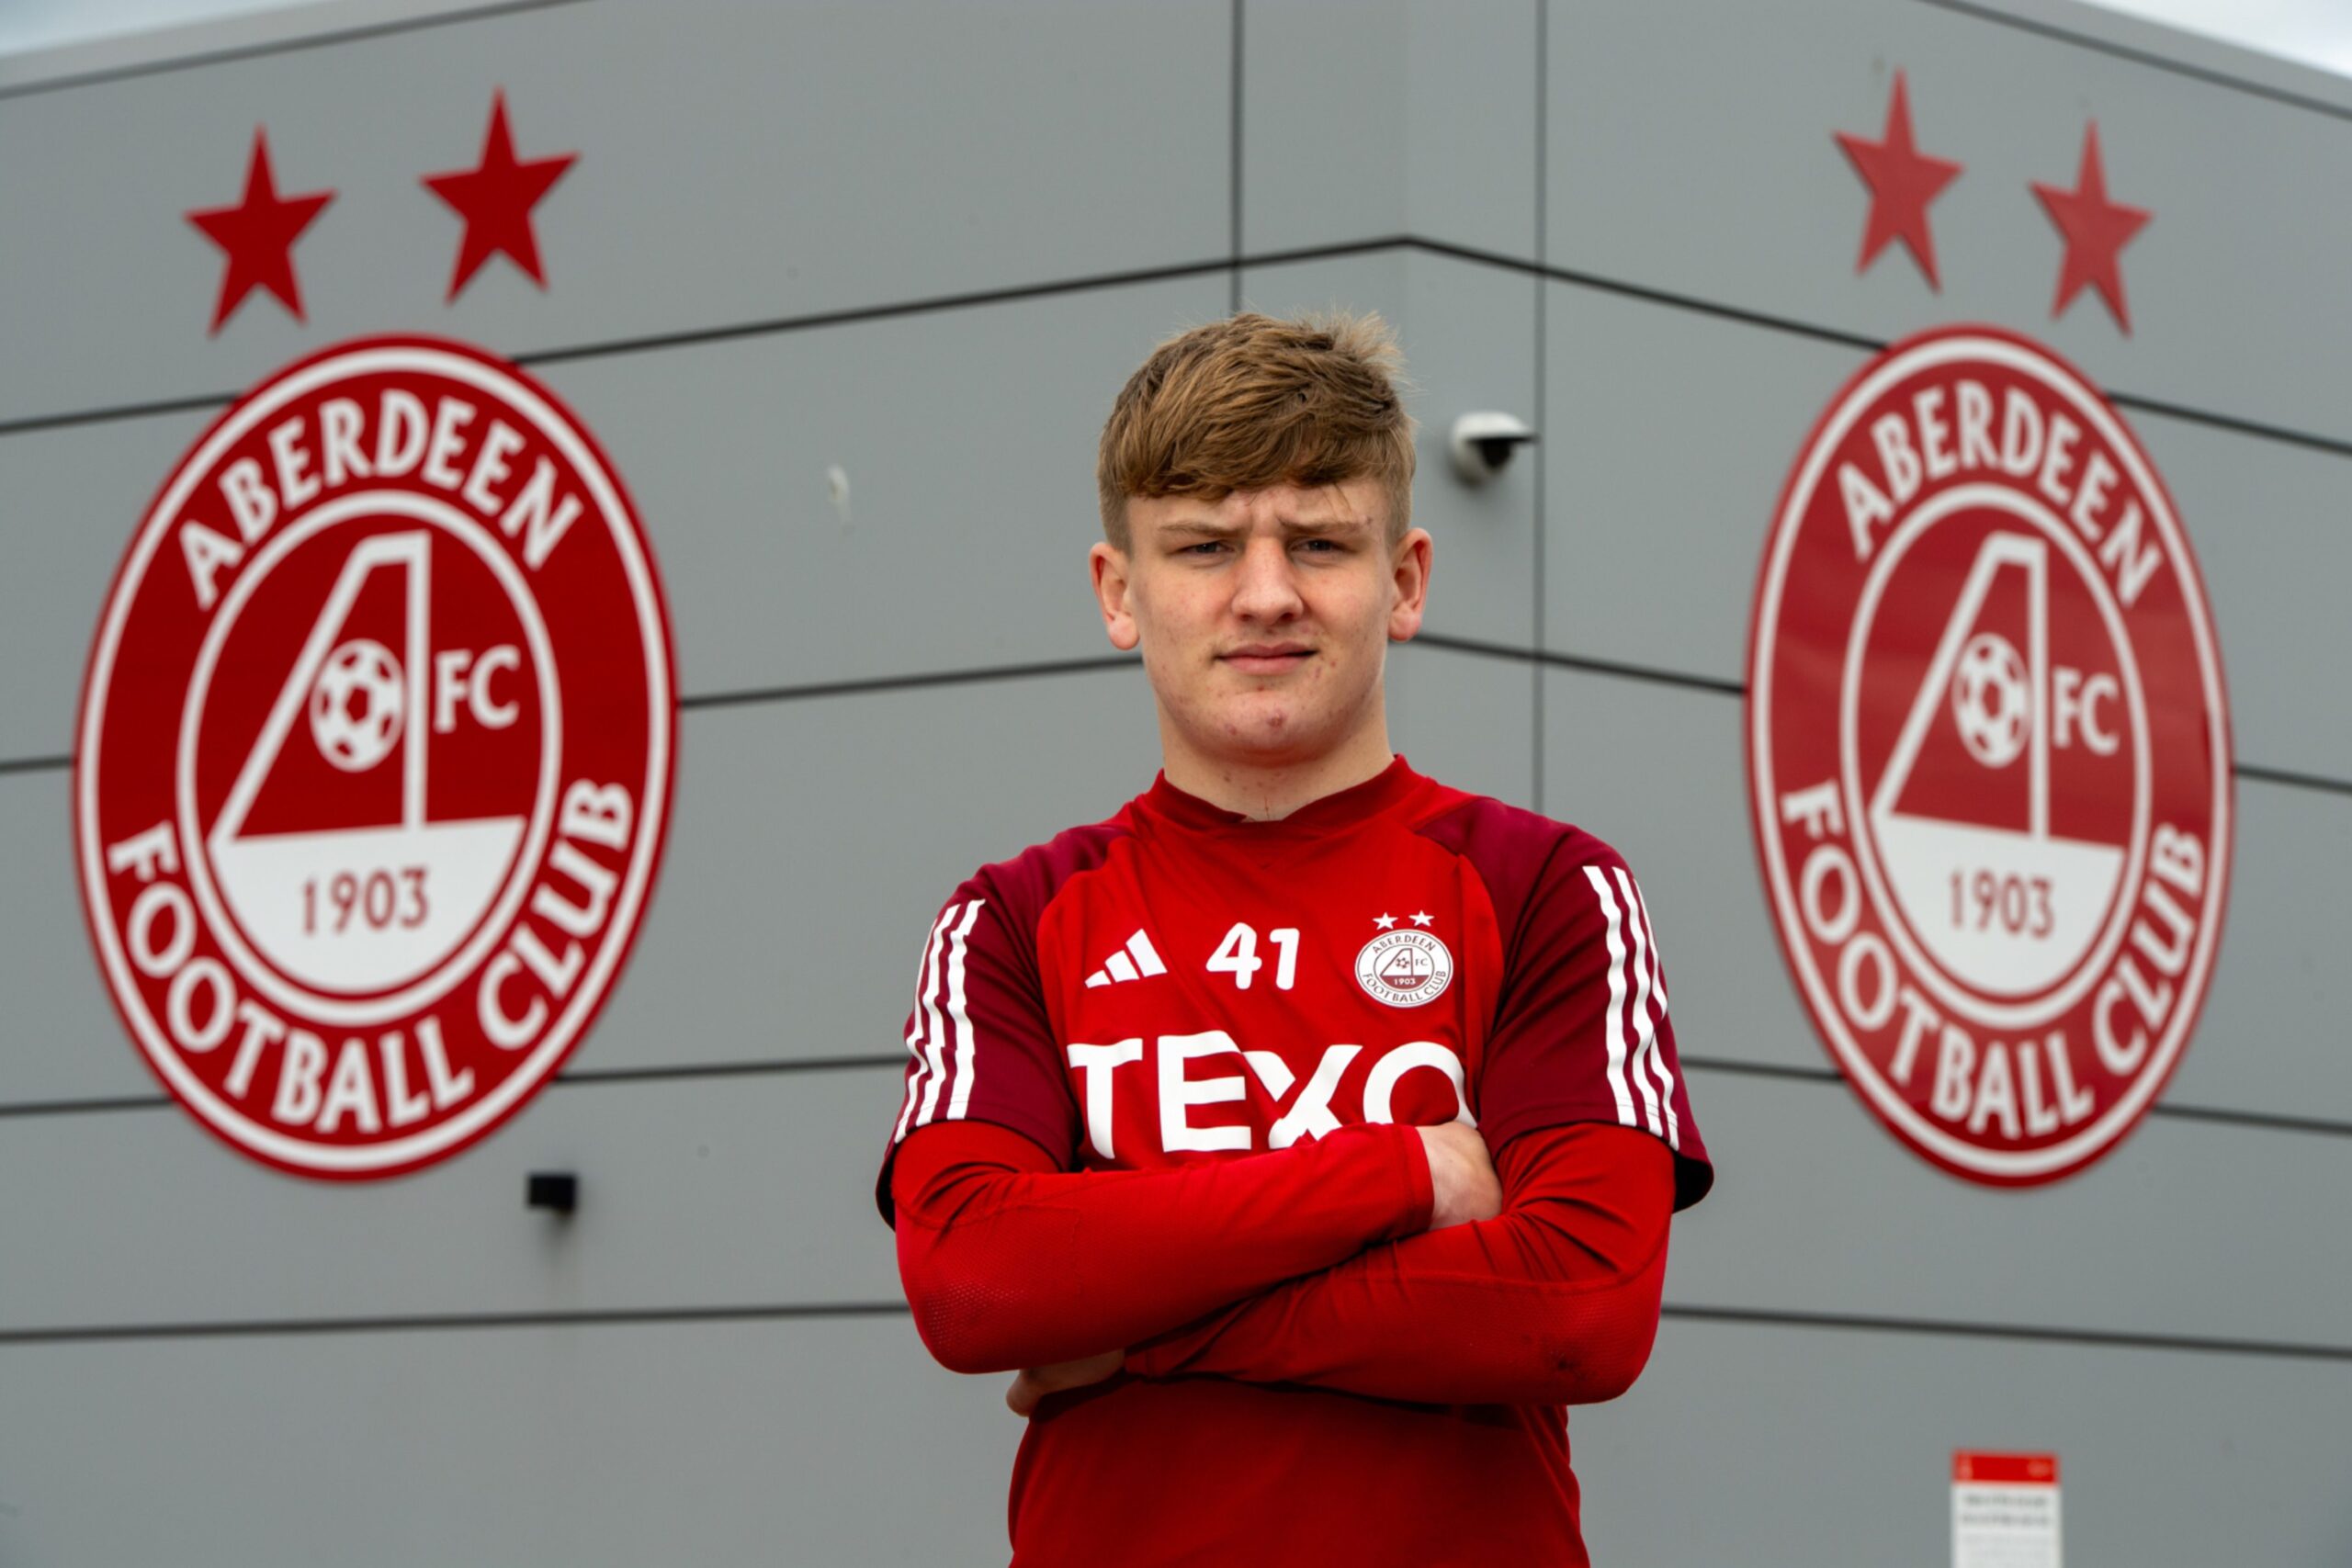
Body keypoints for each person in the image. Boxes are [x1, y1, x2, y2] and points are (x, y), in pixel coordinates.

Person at [873, 309, 1712, 1566]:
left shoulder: (1547, 888)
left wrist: (1138, 1326)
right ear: (1118, 593)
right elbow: (974, 1281)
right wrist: (1408, 1176)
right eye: (1204, 545)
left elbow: (1579, 1309)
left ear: (1407, 580)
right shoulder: (1012, 918)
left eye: (1319, 542)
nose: (1265, 594)